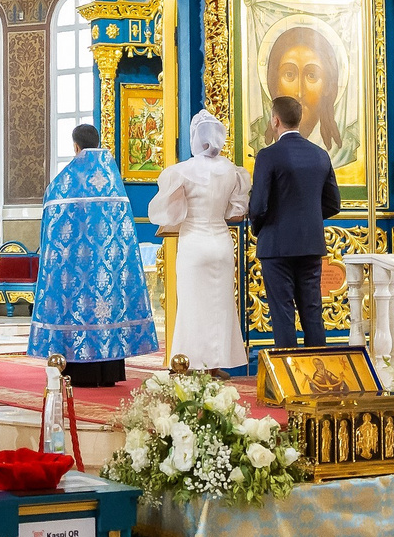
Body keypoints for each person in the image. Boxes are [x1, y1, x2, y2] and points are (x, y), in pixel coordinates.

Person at [30, 123, 158, 389]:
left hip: (74, 269)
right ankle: (107, 372)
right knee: (106, 305)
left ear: (75, 146)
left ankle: (77, 371)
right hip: (106, 268)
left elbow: (51, 228)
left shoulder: (64, 183)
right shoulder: (112, 181)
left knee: (77, 308)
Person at [148, 112, 251, 372]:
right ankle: (216, 365)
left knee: (193, 306)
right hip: (221, 243)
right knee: (221, 304)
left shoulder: (182, 171)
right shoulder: (233, 171)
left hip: (194, 242)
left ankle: (191, 363)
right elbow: (235, 213)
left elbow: (169, 214)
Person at [248, 93, 340, 349]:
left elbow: (258, 205)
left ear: (275, 120)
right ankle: (319, 379)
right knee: (313, 313)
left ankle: (289, 380)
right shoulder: (320, 155)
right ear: (298, 120)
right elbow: (334, 203)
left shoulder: (268, 155)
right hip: (311, 244)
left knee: (283, 314)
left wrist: (262, 228)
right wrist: (307, 219)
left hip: (276, 246)